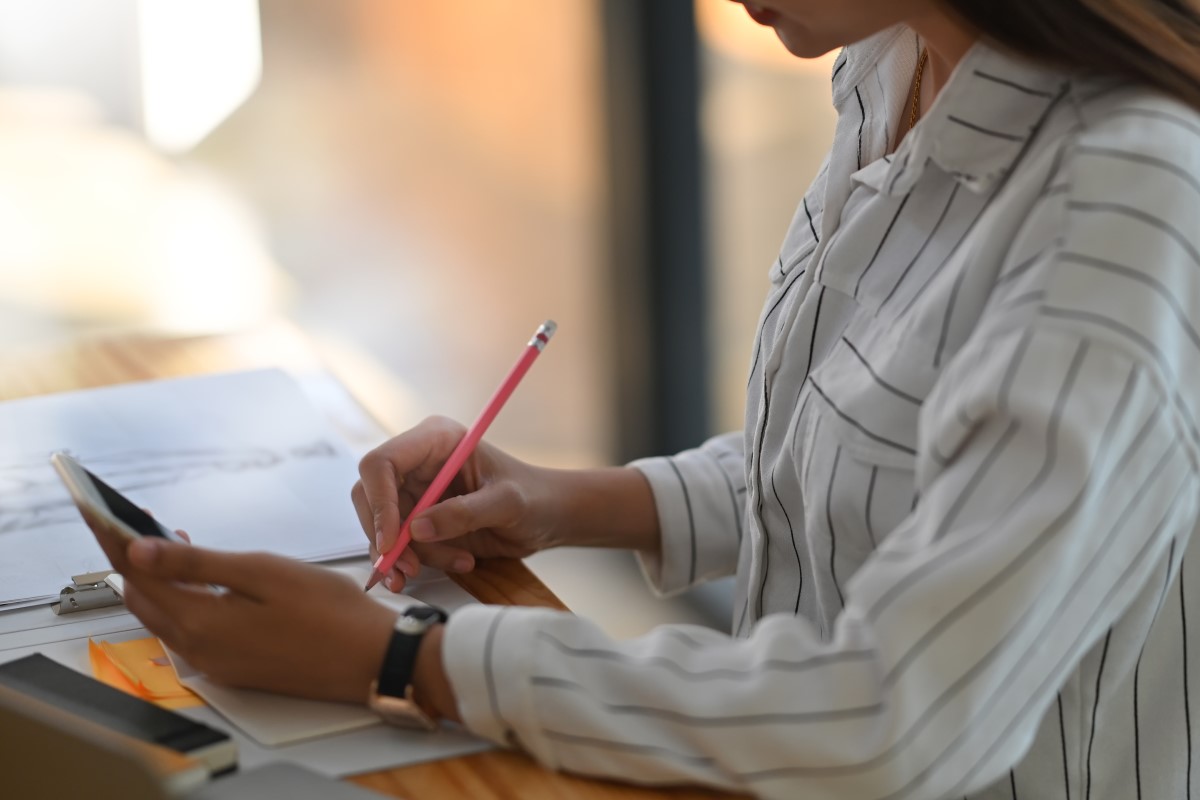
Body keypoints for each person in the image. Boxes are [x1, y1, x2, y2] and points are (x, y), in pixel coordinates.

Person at [107, 1, 1200, 797]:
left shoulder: (1123, 206)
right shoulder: (896, 61)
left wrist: (399, 659)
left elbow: (887, 719)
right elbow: (879, 453)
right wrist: (570, 500)